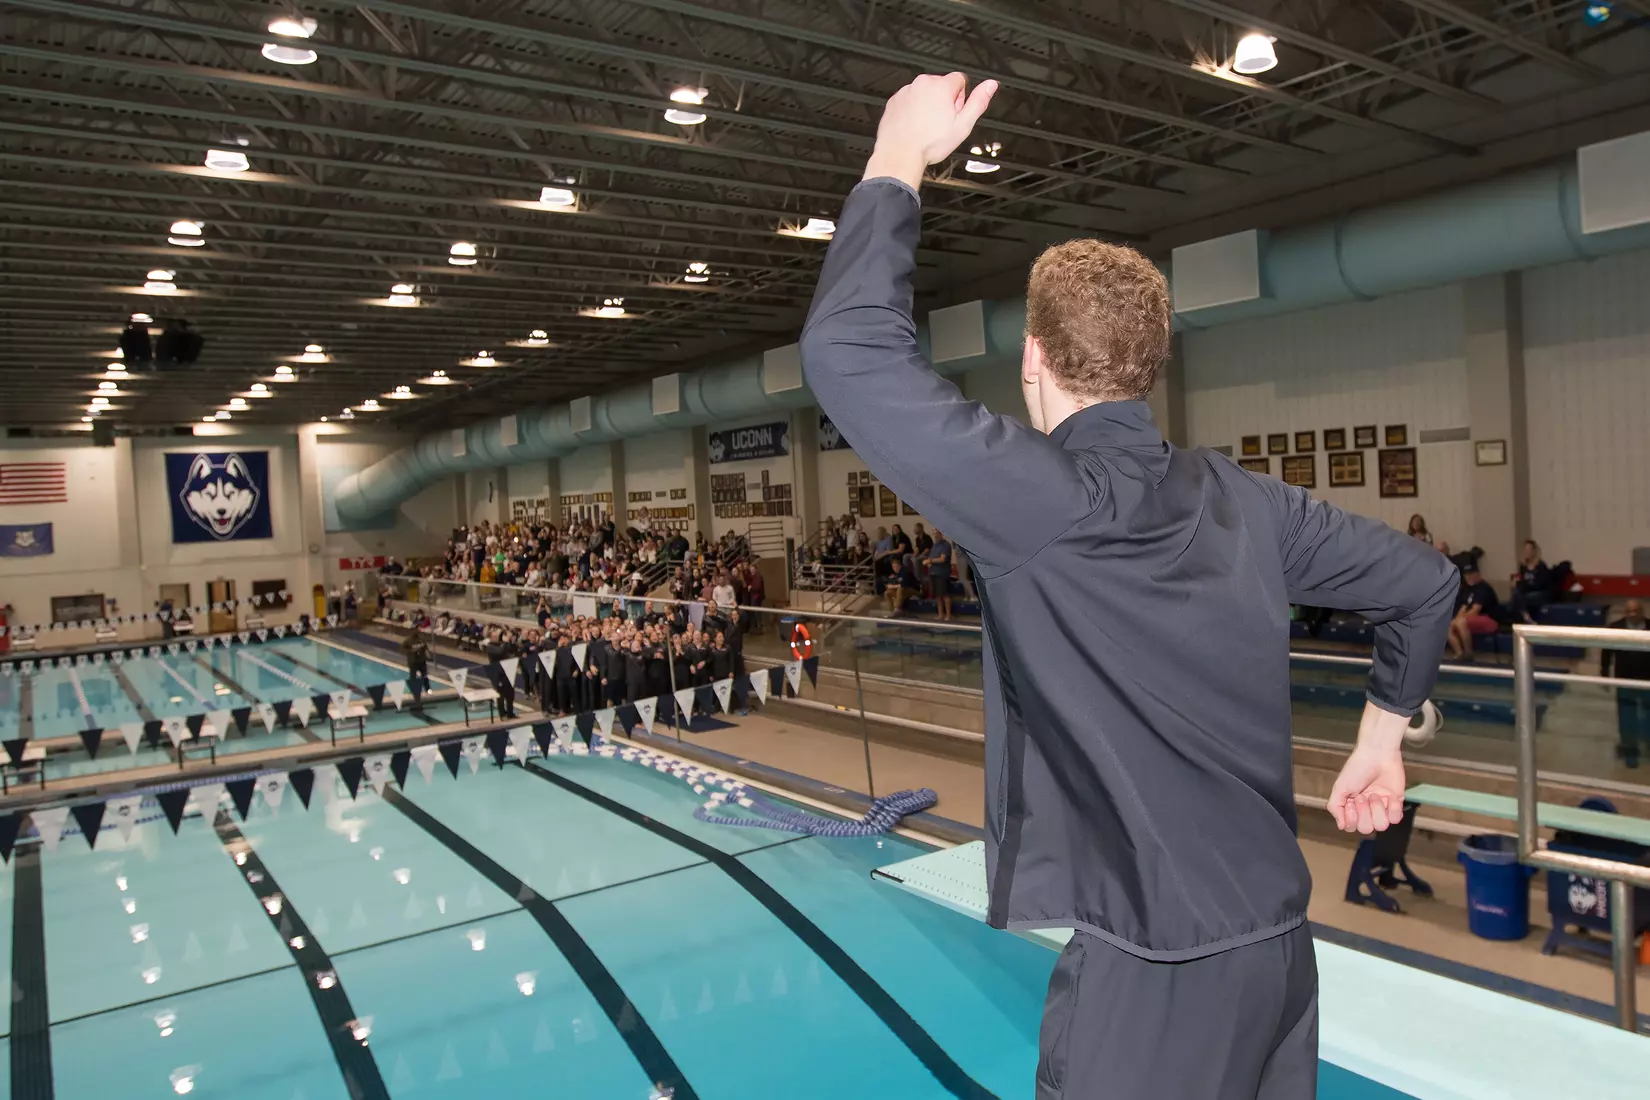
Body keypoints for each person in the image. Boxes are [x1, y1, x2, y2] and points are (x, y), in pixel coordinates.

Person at [798, 72, 1458, 1100]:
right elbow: (1424, 583)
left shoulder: (1037, 499)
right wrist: (1380, 740)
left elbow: (848, 349)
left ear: (1032, 362)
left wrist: (900, 156)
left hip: (1157, 969)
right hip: (1281, 950)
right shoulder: (1246, 502)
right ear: (1146, 364)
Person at [1602, 599, 1650, 768]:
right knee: (1626, 717)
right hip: (1624, 679)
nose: (1632, 614)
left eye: (1636, 610)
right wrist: (1604, 674)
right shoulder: (1616, 627)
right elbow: (1606, 652)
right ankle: (1630, 751)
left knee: (1648, 716)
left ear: (1642, 611)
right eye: (1628, 611)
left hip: (1647, 681)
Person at [1446, 565, 1503, 660]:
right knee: (1447, 626)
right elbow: (1463, 608)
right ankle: (1459, 653)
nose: (1468, 577)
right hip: (1471, 620)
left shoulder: (1484, 588)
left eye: (1471, 574)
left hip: (1489, 619)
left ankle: (1469, 653)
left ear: (1478, 574)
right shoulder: (1467, 589)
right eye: (1466, 575)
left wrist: (1458, 620)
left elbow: (1475, 611)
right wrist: (1454, 620)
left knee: (1461, 622)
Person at [401, 627, 431, 711]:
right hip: (413, 662)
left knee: (424, 675)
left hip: (422, 661)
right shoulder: (408, 640)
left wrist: (428, 656)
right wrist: (411, 651)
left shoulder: (422, 639)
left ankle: (427, 688)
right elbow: (402, 649)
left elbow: (426, 648)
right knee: (413, 677)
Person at [927, 530, 954, 621]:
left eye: (936, 533)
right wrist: (929, 563)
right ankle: (940, 614)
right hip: (933, 572)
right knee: (938, 596)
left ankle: (948, 615)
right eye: (933, 533)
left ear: (940, 533)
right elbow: (931, 558)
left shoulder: (945, 545)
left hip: (942, 573)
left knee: (944, 595)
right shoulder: (935, 545)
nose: (935, 535)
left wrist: (930, 561)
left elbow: (942, 559)